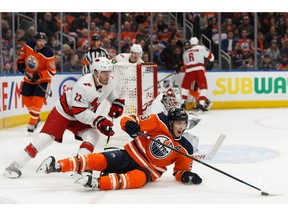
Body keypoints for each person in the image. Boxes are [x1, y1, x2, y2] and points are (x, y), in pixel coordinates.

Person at [4, 57, 125, 179]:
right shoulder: (83, 85)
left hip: (82, 114)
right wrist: (99, 121)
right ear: (95, 72)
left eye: (109, 72)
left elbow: (109, 92)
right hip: (63, 113)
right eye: (104, 73)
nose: (107, 76)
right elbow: (80, 113)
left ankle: (81, 166)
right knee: (45, 139)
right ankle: (15, 165)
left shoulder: (110, 81)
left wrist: (116, 103)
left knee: (93, 135)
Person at [37, 108, 202, 191]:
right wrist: (131, 125)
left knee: (135, 180)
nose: (181, 126)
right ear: (171, 122)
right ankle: (58, 165)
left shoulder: (185, 147)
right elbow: (129, 119)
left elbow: (180, 171)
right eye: (178, 123)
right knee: (99, 160)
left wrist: (187, 175)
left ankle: (97, 183)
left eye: (183, 123)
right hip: (129, 155)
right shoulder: (158, 121)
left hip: (148, 170)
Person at [16, 32, 56, 133]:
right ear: (35, 40)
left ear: (45, 42)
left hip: (42, 80)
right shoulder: (28, 44)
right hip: (28, 77)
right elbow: (23, 53)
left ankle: (32, 122)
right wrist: (20, 63)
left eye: (43, 41)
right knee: (25, 100)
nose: (41, 43)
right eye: (39, 40)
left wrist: (38, 75)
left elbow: (52, 71)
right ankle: (36, 118)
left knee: (37, 101)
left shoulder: (48, 53)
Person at [143, 87, 201, 151]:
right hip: (150, 136)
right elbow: (154, 127)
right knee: (189, 139)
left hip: (157, 132)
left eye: (176, 102)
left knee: (190, 138)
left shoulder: (164, 100)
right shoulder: (157, 108)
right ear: (167, 99)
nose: (175, 104)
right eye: (173, 101)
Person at [181, 37, 214, 111]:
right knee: (203, 87)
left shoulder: (185, 52)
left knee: (185, 87)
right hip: (199, 69)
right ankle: (202, 103)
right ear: (197, 42)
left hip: (189, 70)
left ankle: (183, 102)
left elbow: (186, 63)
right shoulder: (201, 48)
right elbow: (211, 57)